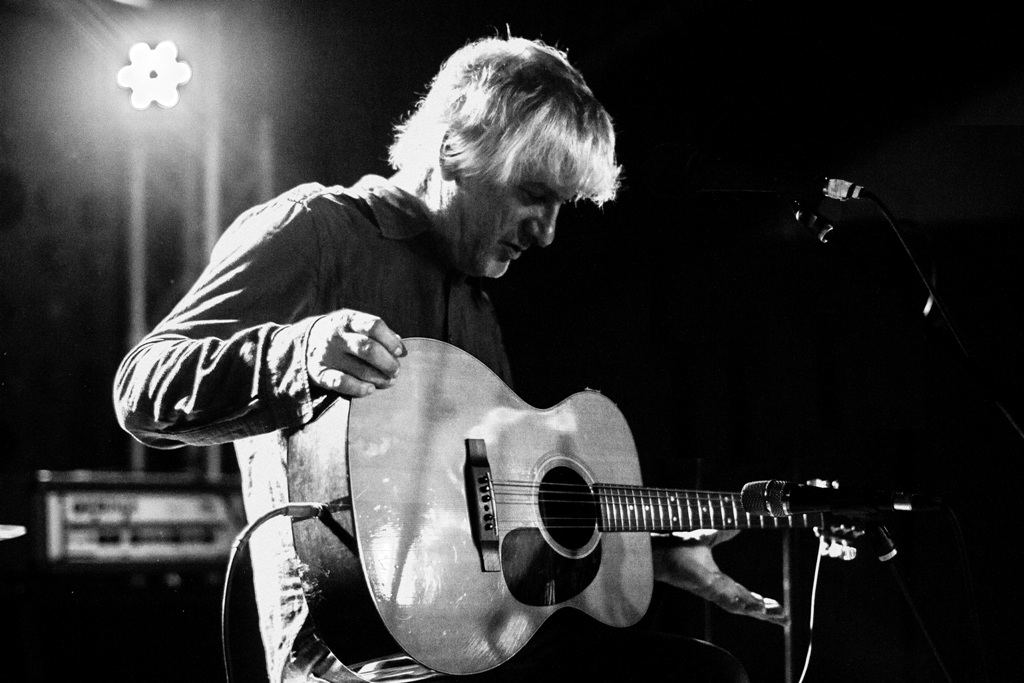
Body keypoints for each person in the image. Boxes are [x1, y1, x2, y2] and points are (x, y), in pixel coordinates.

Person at [114, 35, 786, 683]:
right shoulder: (316, 230)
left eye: (562, 208)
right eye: (533, 193)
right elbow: (142, 389)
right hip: (348, 653)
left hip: (472, 646)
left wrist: (653, 550)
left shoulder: (476, 308)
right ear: (455, 148)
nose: (547, 233)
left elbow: (491, 523)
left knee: (701, 671)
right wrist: (300, 349)